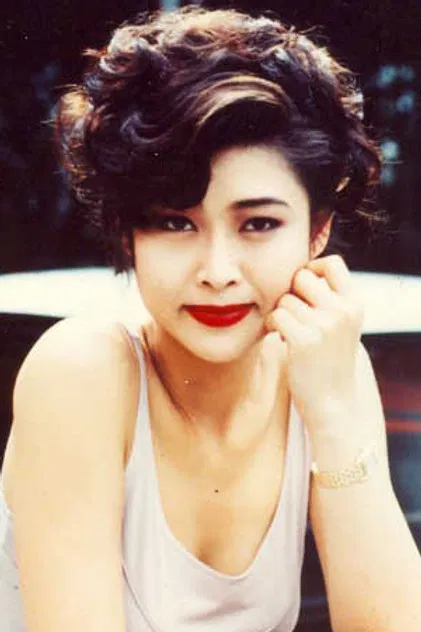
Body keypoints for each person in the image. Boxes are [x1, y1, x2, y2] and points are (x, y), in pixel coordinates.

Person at [1, 5, 421, 632]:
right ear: (128, 234)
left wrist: (335, 415)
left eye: (259, 223)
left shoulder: (329, 374)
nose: (217, 270)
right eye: (175, 223)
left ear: (317, 232)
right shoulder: (83, 371)